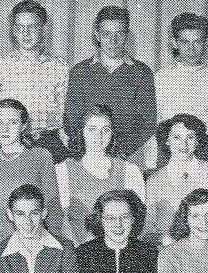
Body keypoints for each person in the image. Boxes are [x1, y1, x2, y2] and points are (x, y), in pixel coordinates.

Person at [65, 6, 156, 167]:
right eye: (106, 34)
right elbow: (72, 119)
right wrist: (89, 150)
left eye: (119, 34)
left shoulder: (142, 72)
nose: (113, 41)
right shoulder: (80, 71)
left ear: (126, 35)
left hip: (127, 157)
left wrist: (121, 150)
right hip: (87, 154)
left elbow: (147, 121)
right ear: (97, 35)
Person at [0, 99, 64, 247]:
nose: (5, 129)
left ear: (23, 126)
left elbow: (52, 203)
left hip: (33, 240)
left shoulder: (41, 156)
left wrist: (55, 243)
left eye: (13, 122)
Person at [0, 0, 70, 163]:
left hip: (48, 142)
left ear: (44, 30)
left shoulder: (59, 66)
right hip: (11, 141)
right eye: (20, 28)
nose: (25, 33)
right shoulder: (0, 65)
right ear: (13, 31)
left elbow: (63, 111)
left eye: (32, 27)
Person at [142, 114, 208, 246]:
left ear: (197, 141)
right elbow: (146, 231)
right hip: (169, 253)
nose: (184, 143)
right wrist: (165, 240)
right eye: (177, 137)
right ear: (167, 140)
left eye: (190, 137)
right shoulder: (154, 181)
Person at [57, 104, 146, 245]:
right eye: (92, 129)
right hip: (78, 251)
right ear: (82, 132)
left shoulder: (130, 171)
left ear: (112, 133)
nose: (99, 136)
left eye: (105, 130)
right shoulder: (63, 170)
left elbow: (136, 222)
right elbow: (60, 222)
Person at [151, 13, 208, 168]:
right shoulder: (160, 77)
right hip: (169, 151)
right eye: (185, 42)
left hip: (206, 150)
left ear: (205, 43)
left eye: (197, 42)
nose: (191, 48)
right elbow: (154, 122)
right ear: (174, 43)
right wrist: (152, 163)